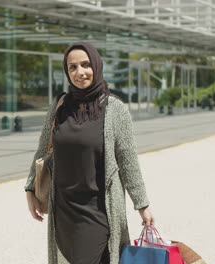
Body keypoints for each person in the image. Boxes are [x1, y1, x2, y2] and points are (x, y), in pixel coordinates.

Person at [25, 42, 154, 264]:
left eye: (85, 65)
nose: (80, 72)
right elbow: (43, 148)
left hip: (97, 210)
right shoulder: (60, 105)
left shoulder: (114, 109)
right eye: (72, 67)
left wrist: (142, 205)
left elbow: (128, 160)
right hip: (63, 209)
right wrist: (30, 188)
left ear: (96, 65)